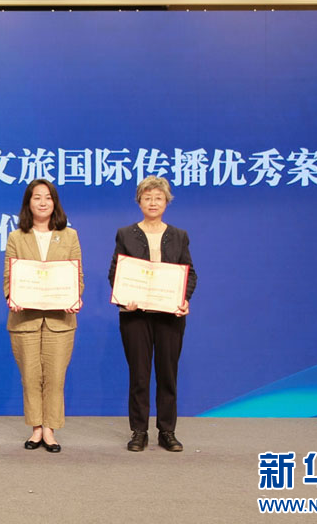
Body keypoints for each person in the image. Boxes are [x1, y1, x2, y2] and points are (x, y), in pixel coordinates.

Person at [108, 175, 197, 453]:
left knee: (168, 374)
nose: (153, 202)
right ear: (139, 202)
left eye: (158, 198)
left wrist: (184, 299)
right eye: (147, 198)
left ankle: (167, 431)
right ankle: (139, 431)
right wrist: (125, 297)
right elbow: (116, 273)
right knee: (139, 374)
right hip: (136, 316)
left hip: (170, 315)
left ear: (167, 202)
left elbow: (189, 274)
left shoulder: (179, 235)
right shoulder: (125, 234)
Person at [3, 179, 83, 453]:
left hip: (60, 320)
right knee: (30, 376)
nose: (42, 202)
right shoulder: (16, 237)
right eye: (36, 197)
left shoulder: (69, 236)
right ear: (28, 203)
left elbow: (77, 275)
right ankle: (36, 427)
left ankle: (50, 429)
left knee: (55, 377)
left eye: (48, 197)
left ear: (55, 203)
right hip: (25, 319)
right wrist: (12, 297)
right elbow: (9, 277)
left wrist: (75, 297)